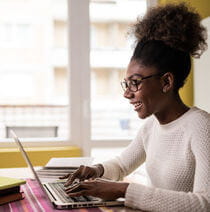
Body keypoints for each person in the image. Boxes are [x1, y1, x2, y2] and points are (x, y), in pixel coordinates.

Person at [60, 3, 210, 211]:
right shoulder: (151, 127)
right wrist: (96, 170)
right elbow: (122, 165)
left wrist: (123, 190)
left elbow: (205, 203)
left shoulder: (201, 127)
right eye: (127, 83)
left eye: (136, 82)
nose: (127, 93)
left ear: (166, 82)